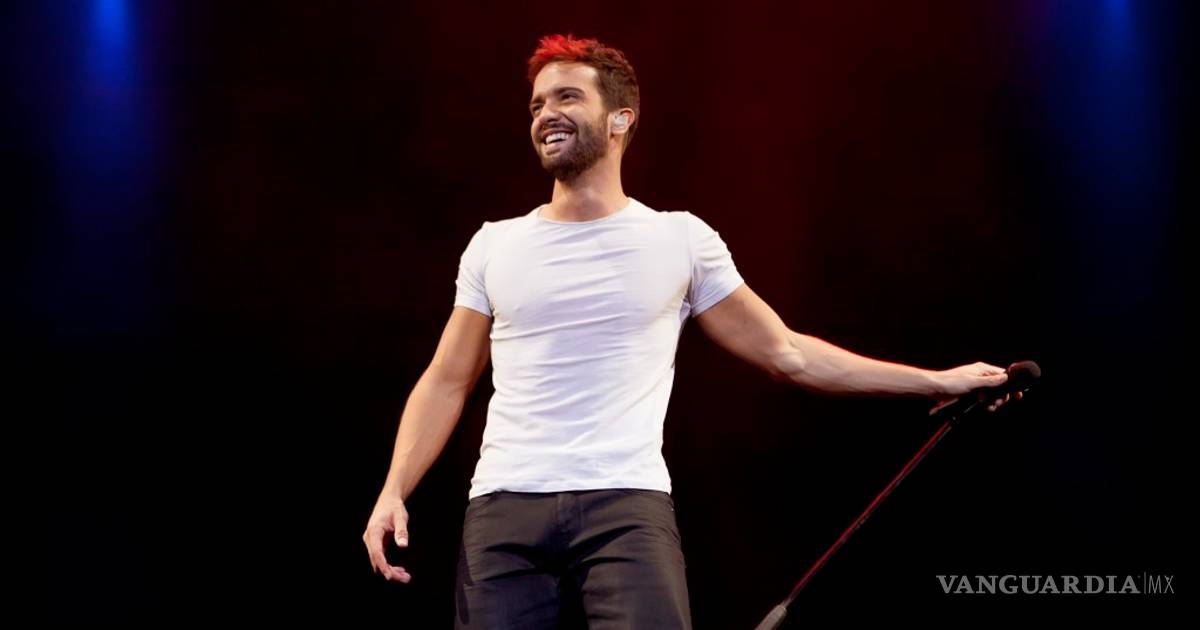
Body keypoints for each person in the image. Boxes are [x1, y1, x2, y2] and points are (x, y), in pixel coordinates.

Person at [363, 33, 1021, 629]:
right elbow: (447, 380)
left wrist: (934, 382)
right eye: (537, 104)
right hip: (504, 507)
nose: (545, 114)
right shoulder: (494, 244)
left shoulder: (679, 239)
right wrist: (394, 489)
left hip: (626, 506)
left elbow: (788, 353)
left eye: (567, 97)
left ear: (621, 119)